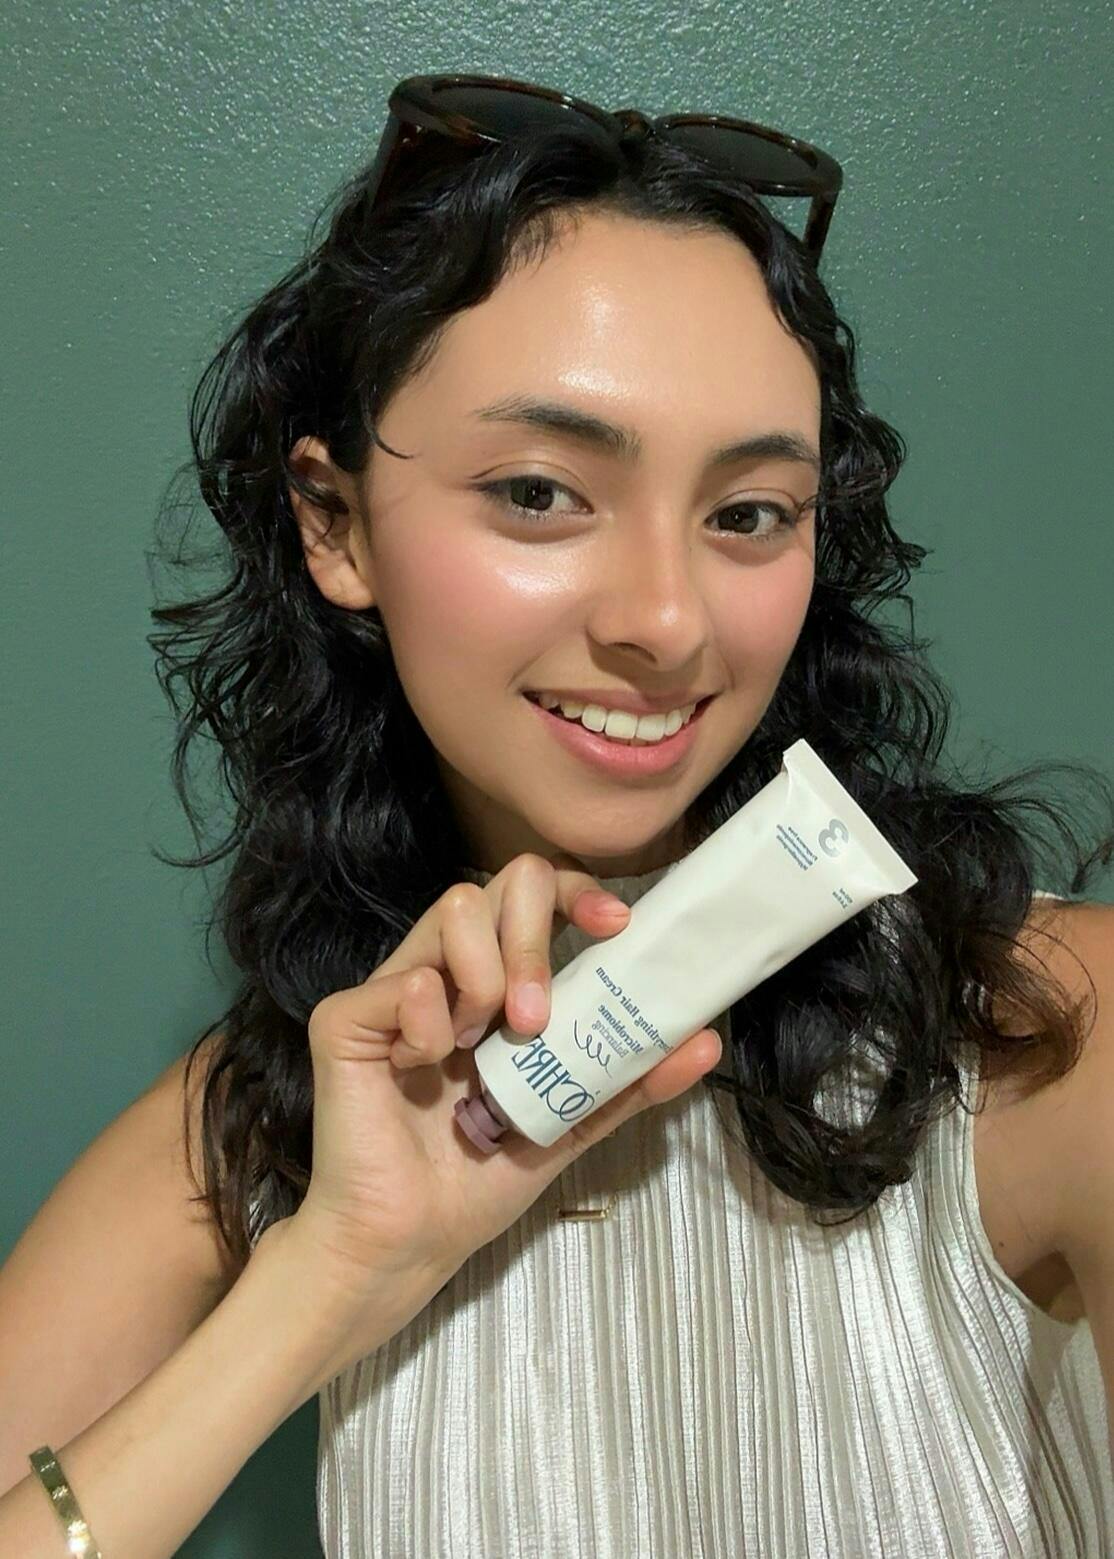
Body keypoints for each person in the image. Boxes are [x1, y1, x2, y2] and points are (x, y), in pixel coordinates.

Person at [2, 72, 1113, 1558]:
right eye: (539, 493)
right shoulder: (253, 1129)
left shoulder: (1052, 1041)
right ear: (335, 525)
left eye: (748, 513)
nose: (667, 619)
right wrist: (327, 1280)